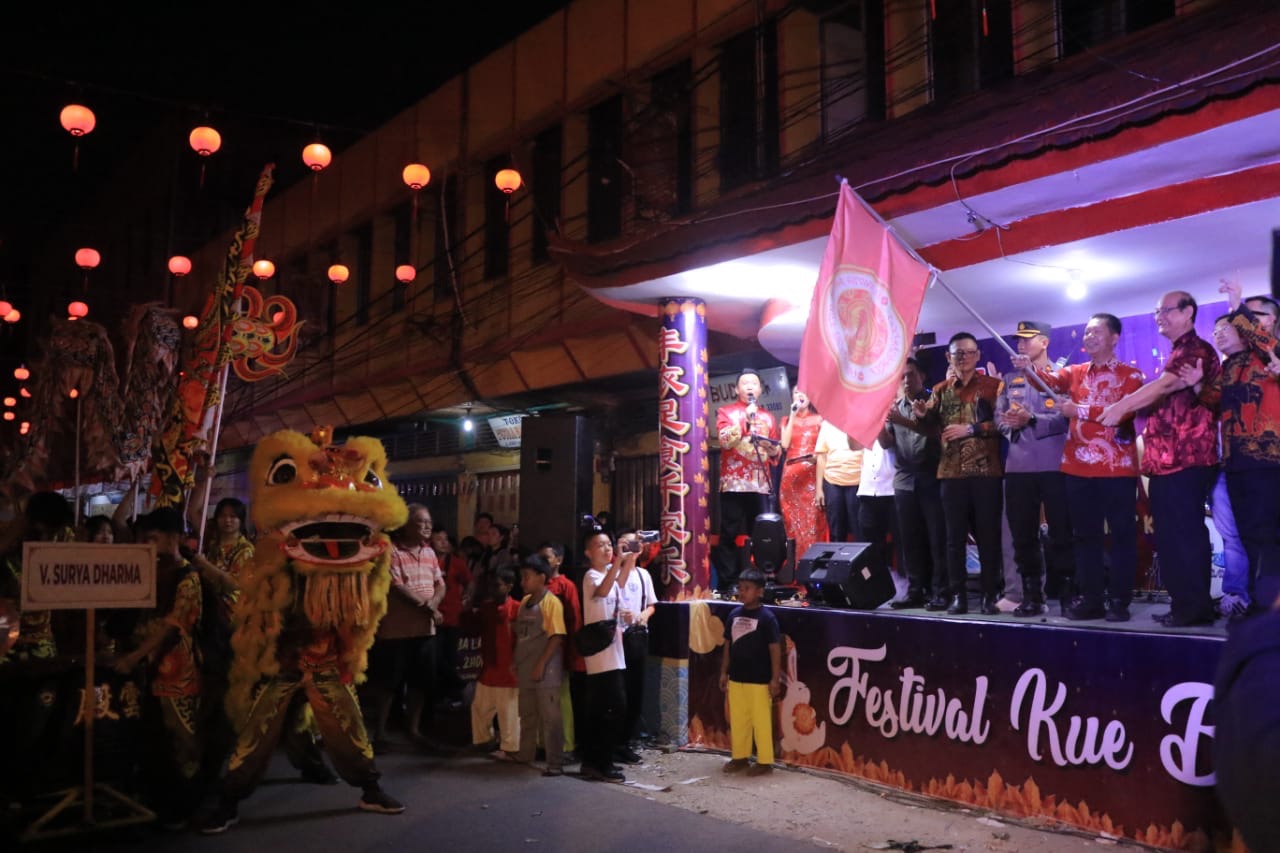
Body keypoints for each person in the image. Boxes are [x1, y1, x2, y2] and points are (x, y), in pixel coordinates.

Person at [1101, 292, 1222, 627]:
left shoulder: (1194, 349)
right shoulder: (1179, 350)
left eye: (1167, 310)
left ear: (1188, 312)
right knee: (1172, 537)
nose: (1160, 317)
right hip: (1169, 462)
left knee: (1183, 535)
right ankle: (1186, 604)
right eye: (1157, 312)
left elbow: (1164, 386)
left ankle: (1193, 609)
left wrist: (1121, 406)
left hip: (1187, 460)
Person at [1021, 313, 1144, 622]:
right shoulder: (1075, 372)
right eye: (1086, 332)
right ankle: (1091, 599)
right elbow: (1047, 381)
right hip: (1077, 469)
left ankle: (1119, 601)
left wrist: (1079, 410)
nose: (1089, 337)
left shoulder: (1131, 375)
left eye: (1096, 332)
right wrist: (1030, 368)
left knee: (1121, 536)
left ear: (1114, 337)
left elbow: (1125, 410)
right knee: (1084, 537)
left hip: (1117, 469)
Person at [1179, 280, 1280, 618]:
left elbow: (1262, 341)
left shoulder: (1273, 351)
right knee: (1248, 536)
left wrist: (1236, 305)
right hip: (1236, 464)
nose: (1246, 321)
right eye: (1245, 315)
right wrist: (1196, 382)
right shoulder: (1235, 363)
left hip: (1270, 461)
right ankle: (1255, 601)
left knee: (1269, 537)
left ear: (1272, 321)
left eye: (1255, 315)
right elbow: (1214, 400)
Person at [114, 508, 204, 827]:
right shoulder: (147, 572)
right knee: (153, 736)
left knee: (182, 738)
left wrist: (134, 655)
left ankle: (187, 804)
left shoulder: (188, 577)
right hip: (146, 668)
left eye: (153, 539)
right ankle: (160, 798)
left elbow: (172, 626)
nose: (147, 545)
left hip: (175, 669)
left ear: (174, 538)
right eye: (144, 539)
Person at [913, 332, 1005, 614]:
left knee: (989, 536)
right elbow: (931, 429)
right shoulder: (940, 390)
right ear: (948, 357)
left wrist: (972, 429)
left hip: (986, 472)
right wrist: (921, 414)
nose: (962, 357)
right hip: (950, 474)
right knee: (953, 540)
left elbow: (1003, 425)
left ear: (978, 355)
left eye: (968, 352)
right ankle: (958, 596)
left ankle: (991, 594)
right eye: (957, 353)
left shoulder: (994, 386)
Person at [997, 321, 1074, 617]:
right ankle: (1031, 594)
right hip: (1018, 466)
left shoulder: (1060, 377)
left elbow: (1065, 417)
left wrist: (1032, 420)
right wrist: (1011, 424)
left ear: (1044, 342)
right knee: (1022, 534)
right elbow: (1000, 416)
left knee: (1061, 533)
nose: (1021, 344)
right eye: (1018, 339)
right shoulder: (1009, 378)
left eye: (1027, 339)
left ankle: (1068, 593)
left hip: (1054, 464)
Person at [368, 504, 445, 748]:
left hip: (425, 630)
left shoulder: (429, 552)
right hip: (397, 631)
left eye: (429, 522)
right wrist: (429, 607)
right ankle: (380, 733)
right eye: (421, 522)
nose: (427, 527)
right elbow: (396, 586)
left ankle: (413, 730)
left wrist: (433, 603)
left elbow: (440, 584)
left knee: (420, 682)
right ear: (406, 525)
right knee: (389, 683)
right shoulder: (390, 551)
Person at [885, 359, 947, 609]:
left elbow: (935, 431)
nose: (907, 381)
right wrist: (877, 424)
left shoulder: (934, 402)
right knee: (909, 540)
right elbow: (887, 443)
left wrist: (901, 420)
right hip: (903, 480)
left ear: (922, 375)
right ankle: (915, 590)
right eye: (902, 377)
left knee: (937, 538)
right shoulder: (896, 407)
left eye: (910, 375)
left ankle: (941, 591)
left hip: (931, 476)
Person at [714, 369, 781, 589]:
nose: (750, 387)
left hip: (759, 483)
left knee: (761, 533)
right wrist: (746, 419)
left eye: (754, 383)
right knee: (729, 533)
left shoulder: (768, 417)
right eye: (745, 384)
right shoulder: (726, 411)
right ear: (736, 389)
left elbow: (775, 451)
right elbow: (725, 441)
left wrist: (771, 448)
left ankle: (759, 578)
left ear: (761, 389)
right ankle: (729, 581)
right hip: (734, 482)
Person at [579, 529, 632, 782]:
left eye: (609, 544)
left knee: (606, 709)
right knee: (611, 708)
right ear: (588, 553)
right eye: (600, 545)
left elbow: (618, 586)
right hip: (600, 655)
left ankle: (596, 762)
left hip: (614, 651)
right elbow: (602, 591)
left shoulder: (607, 576)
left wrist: (629, 558)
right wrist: (619, 562)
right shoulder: (590, 576)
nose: (607, 549)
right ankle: (601, 763)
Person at [719, 568, 781, 777]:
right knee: (739, 719)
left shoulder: (767, 618)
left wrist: (774, 679)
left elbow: (775, 649)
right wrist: (723, 672)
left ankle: (765, 761)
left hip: (760, 680)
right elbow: (728, 645)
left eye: (747, 589)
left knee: (761, 720)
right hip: (736, 678)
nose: (742, 592)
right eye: (740, 588)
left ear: (760, 592)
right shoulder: (734, 615)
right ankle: (740, 756)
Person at [514, 555, 566, 775]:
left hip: (546, 671)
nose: (522, 582)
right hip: (525, 668)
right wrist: (514, 662)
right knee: (527, 715)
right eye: (522, 577)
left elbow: (557, 637)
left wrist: (541, 665)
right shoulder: (524, 603)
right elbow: (520, 637)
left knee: (550, 718)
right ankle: (525, 755)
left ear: (541, 577)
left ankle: (555, 764)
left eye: (526, 577)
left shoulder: (551, 602)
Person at [466, 567, 521, 759]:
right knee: (480, 708)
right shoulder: (486, 608)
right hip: (489, 667)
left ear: (509, 586)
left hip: (509, 669)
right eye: (491, 585)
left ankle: (511, 748)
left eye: (496, 585)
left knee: (509, 714)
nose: (492, 589)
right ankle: (484, 741)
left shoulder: (517, 608)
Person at [538, 541, 583, 758]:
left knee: (561, 699)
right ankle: (542, 743)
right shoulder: (536, 585)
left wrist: (574, 655)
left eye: (546, 559)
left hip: (559, 650)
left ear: (559, 560)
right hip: (537, 648)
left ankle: (565, 745)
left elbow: (574, 621)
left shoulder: (566, 586)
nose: (543, 563)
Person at [615, 530, 657, 759]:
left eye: (635, 543)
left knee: (635, 690)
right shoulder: (612, 573)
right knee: (618, 693)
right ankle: (616, 742)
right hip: (616, 639)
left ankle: (628, 741)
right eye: (626, 543)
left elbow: (652, 605)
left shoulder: (643, 575)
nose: (631, 546)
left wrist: (642, 615)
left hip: (638, 637)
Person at [778, 388, 828, 561]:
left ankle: (813, 567)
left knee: (813, 523)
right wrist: (792, 415)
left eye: (804, 392)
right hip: (791, 479)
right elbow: (785, 444)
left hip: (812, 477)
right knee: (794, 525)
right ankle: (795, 568)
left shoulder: (820, 419)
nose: (800, 395)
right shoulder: (786, 419)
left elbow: (823, 450)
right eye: (796, 393)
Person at [432, 528, 472, 705]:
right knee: (434, 660)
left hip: (452, 618)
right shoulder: (427, 561)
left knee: (448, 659)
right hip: (431, 618)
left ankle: (452, 693)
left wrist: (467, 598)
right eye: (439, 539)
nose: (444, 542)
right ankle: (447, 692)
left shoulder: (456, 562)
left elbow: (470, 581)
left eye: (446, 539)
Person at [856, 438, 899, 585]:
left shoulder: (893, 417)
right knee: (869, 542)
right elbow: (853, 445)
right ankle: (874, 584)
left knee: (901, 541)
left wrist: (878, 422)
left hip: (892, 488)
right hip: (868, 489)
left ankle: (908, 586)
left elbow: (887, 442)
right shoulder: (864, 422)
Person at [813, 417, 862, 543]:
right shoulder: (827, 424)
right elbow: (821, 457)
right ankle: (837, 562)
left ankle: (862, 562)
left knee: (859, 529)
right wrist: (819, 489)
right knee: (836, 531)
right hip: (832, 481)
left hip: (858, 481)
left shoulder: (861, 421)